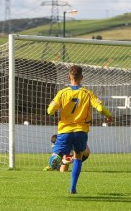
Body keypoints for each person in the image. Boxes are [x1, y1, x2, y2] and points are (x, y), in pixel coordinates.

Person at [47, 65, 112, 194]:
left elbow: (50, 111)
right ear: (81, 77)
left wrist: (55, 109)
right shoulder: (88, 93)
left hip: (65, 130)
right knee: (78, 157)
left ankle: (56, 157)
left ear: (68, 77)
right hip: (81, 130)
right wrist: (109, 116)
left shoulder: (62, 93)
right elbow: (99, 108)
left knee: (55, 154)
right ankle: (73, 188)